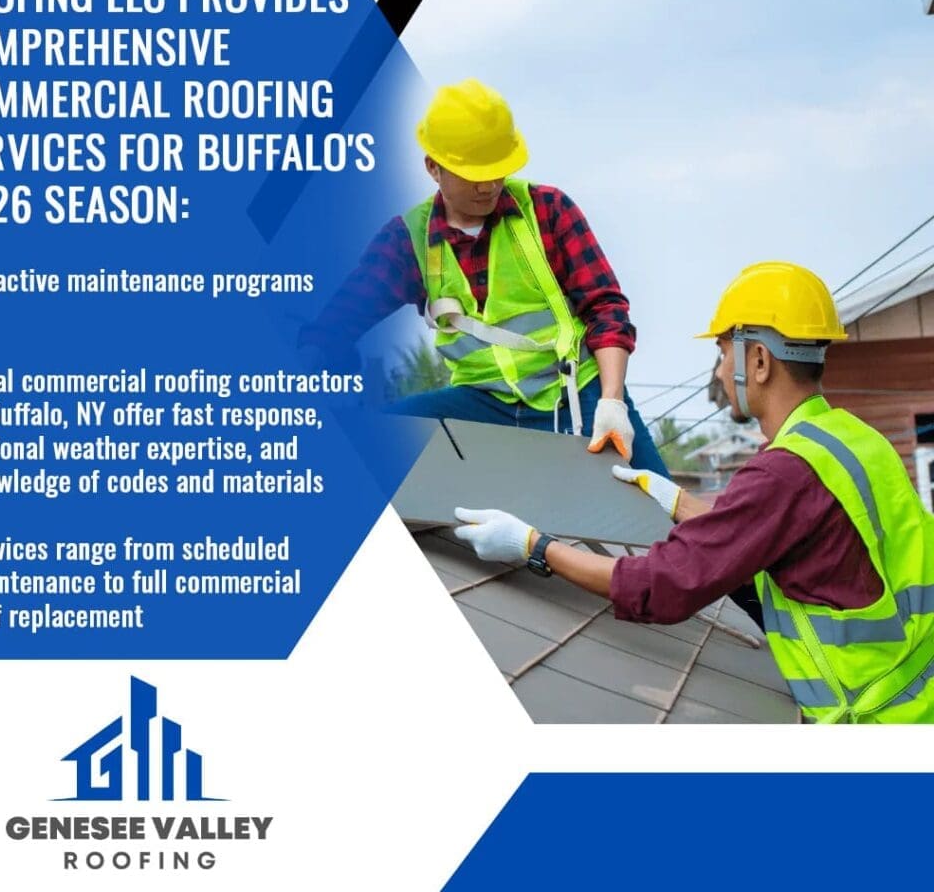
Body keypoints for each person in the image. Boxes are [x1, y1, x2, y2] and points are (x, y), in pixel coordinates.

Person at [453, 261, 934, 723]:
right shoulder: (854, 439)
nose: (721, 372)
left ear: (759, 360)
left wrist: (534, 546)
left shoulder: (785, 472)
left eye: (723, 353)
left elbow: (661, 584)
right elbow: (759, 532)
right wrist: (676, 500)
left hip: (879, 718)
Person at [299, 78, 667, 472]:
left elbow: (606, 308)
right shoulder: (407, 241)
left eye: (498, 171)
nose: (490, 186)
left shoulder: (548, 211)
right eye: (475, 174)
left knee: (656, 500)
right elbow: (336, 324)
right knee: (374, 444)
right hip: (481, 405)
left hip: (577, 394)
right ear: (433, 167)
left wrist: (611, 400)